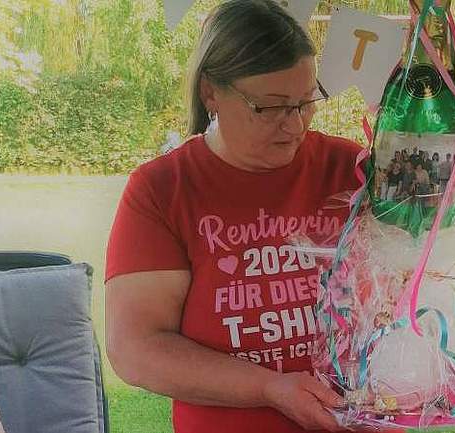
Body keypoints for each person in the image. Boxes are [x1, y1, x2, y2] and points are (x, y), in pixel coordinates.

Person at [105, 2, 402, 432]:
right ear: (212, 93)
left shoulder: (349, 168)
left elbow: (415, 274)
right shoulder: (163, 190)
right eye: (270, 107)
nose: (295, 125)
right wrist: (269, 388)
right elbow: (135, 348)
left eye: (305, 102)